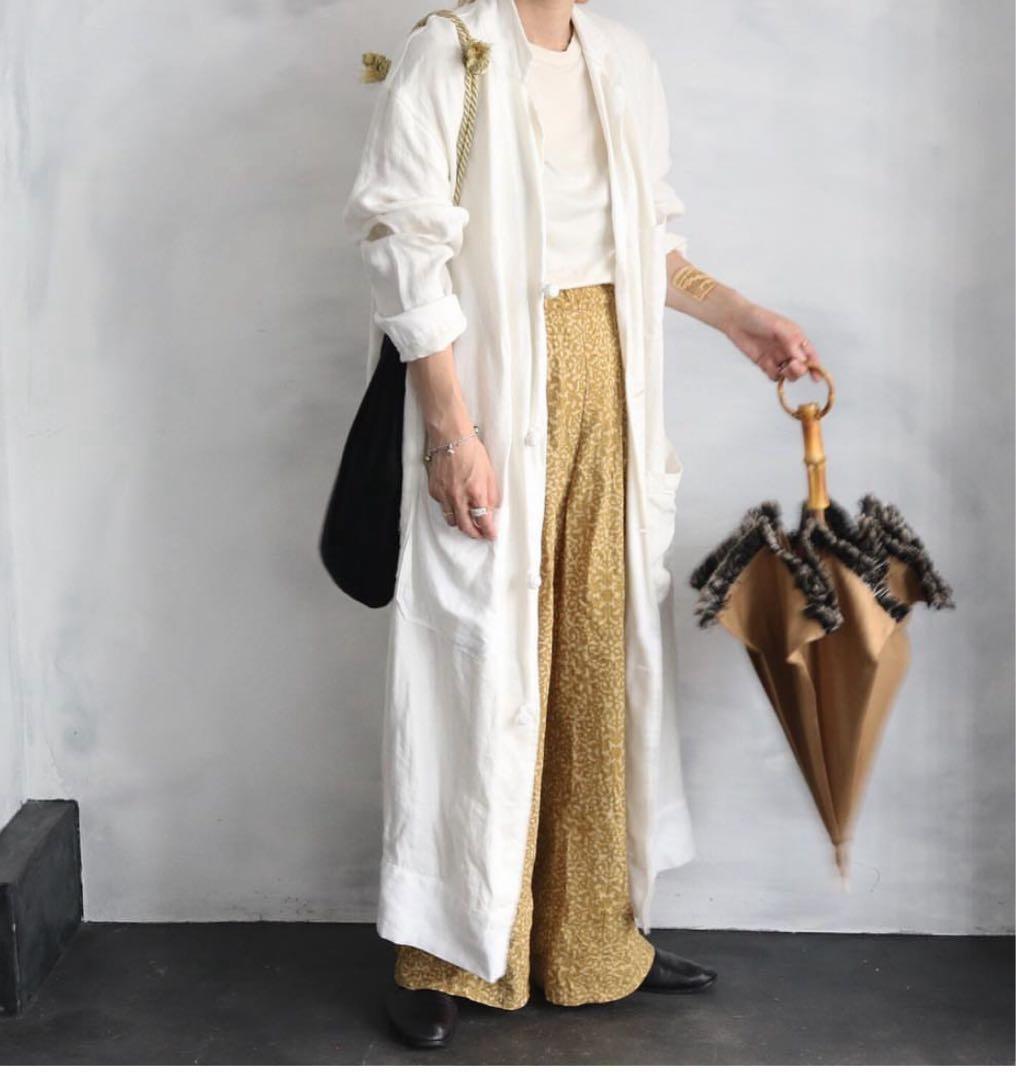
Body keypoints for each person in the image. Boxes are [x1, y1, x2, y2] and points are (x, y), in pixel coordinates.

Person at [343, 0, 822, 1049]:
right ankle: (447, 953)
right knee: (480, 665)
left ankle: (592, 939)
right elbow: (403, 245)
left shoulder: (622, 60)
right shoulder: (451, 52)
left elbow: (646, 240)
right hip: (490, 387)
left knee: (600, 656)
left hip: (611, 382)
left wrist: (739, 317)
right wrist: (450, 431)